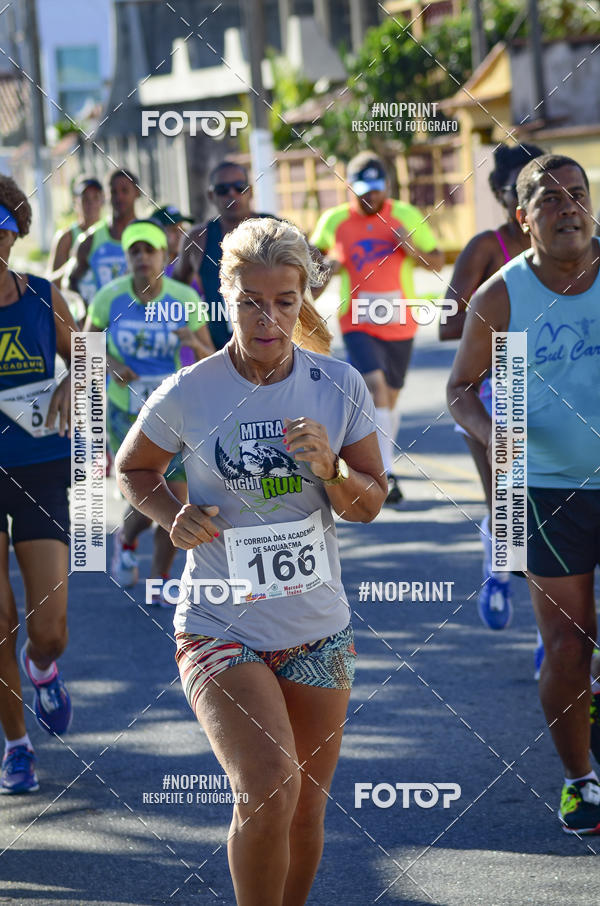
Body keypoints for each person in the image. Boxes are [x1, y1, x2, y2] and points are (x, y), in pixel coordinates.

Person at [116, 217, 387, 904]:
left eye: (286, 301)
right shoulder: (191, 390)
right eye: (251, 302)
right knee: (268, 786)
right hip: (219, 625)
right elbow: (133, 468)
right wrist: (170, 514)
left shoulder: (338, 384)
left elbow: (369, 503)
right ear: (225, 296)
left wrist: (331, 471)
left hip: (317, 629)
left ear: (304, 300)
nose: (269, 318)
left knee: (306, 808)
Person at [447, 154, 600, 834]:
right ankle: (581, 781)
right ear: (524, 216)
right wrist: (492, 434)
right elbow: (459, 390)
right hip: (545, 491)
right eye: (551, 198)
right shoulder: (502, 295)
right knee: (568, 648)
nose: (569, 207)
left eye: (579, 194)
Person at [440, 142, 544, 633]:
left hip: (555, 390)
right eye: (516, 189)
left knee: (555, 516)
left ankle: (555, 638)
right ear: (503, 196)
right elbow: (445, 323)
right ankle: (498, 571)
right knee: (507, 511)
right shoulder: (488, 247)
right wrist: (502, 325)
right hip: (493, 391)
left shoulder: (576, 248)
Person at [83, 219, 213, 599]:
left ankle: (159, 580)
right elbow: (86, 345)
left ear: (164, 256)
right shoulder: (108, 297)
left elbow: (212, 357)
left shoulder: (185, 299)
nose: (141, 258)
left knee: (175, 499)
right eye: (134, 251)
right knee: (148, 496)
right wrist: (112, 365)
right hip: (126, 410)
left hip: (174, 411)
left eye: (149, 250)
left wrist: (194, 342)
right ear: (127, 258)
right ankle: (125, 537)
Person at [311, 151, 444, 504]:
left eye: (376, 189)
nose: (370, 197)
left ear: (386, 186)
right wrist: (328, 266)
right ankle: (387, 471)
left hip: (400, 318)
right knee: (376, 388)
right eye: (362, 190)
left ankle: (385, 459)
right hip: (356, 318)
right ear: (350, 189)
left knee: (391, 397)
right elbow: (311, 278)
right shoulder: (334, 221)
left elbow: (437, 262)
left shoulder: (405, 215)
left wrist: (410, 246)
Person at [0, 176, 76, 793]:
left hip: (41, 466)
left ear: (15, 231)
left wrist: (73, 384)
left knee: (48, 629)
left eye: (0, 228)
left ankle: (40, 668)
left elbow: (90, 358)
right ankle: (17, 744)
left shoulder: (45, 297)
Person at [174, 160, 272, 350]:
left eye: (239, 187)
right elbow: (176, 290)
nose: (231, 194)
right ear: (211, 195)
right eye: (222, 189)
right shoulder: (198, 239)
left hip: (272, 345)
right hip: (220, 351)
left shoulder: (275, 229)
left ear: (249, 191)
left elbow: (317, 271)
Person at [69, 168, 140, 304]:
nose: (119, 197)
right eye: (113, 192)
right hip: (102, 323)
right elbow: (71, 282)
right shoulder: (90, 240)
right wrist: (85, 312)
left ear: (137, 193)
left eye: (125, 191)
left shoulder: (148, 235)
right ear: (105, 196)